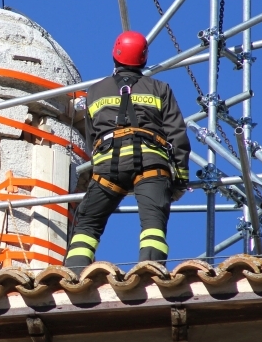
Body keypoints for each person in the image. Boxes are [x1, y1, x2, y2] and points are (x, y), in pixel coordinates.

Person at [64, 31, 191, 270]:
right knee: (153, 226)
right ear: (143, 59)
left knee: (87, 224)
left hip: (108, 170)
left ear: (115, 55)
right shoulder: (160, 89)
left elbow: (92, 138)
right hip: (152, 166)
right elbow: (177, 134)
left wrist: (100, 167)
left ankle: (72, 276)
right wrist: (180, 180)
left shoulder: (95, 91)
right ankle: (150, 273)